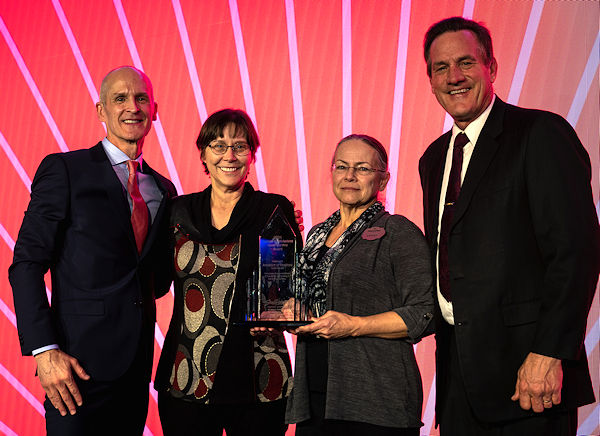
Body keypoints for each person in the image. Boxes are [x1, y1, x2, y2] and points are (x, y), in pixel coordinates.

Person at [418, 16, 600, 436]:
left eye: (466, 62)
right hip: (458, 383)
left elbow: (576, 253)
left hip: (530, 378)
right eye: (441, 68)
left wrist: (549, 352)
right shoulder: (432, 158)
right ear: (430, 80)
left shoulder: (540, 134)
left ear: (492, 68)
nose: (454, 77)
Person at [8, 66, 177, 435]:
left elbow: (159, 279)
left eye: (141, 98)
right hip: (74, 369)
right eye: (120, 98)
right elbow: (26, 264)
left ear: (154, 111)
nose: (132, 106)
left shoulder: (163, 189)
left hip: (135, 372)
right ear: (100, 110)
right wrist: (44, 350)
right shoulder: (66, 170)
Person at [154, 108, 302, 436]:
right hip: (186, 373)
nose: (230, 155)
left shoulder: (273, 209)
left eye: (240, 146)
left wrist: (281, 307)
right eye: (219, 145)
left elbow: (288, 287)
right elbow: (155, 280)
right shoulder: (178, 211)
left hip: (259, 376)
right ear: (203, 154)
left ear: (252, 155)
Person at [285, 134, 434, 436]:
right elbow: (305, 298)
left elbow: (425, 312)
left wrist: (354, 325)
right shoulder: (315, 235)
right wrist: (291, 310)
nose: (350, 176)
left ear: (383, 180)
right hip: (315, 397)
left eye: (363, 168)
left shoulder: (397, 232)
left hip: (375, 401)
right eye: (341, 166)